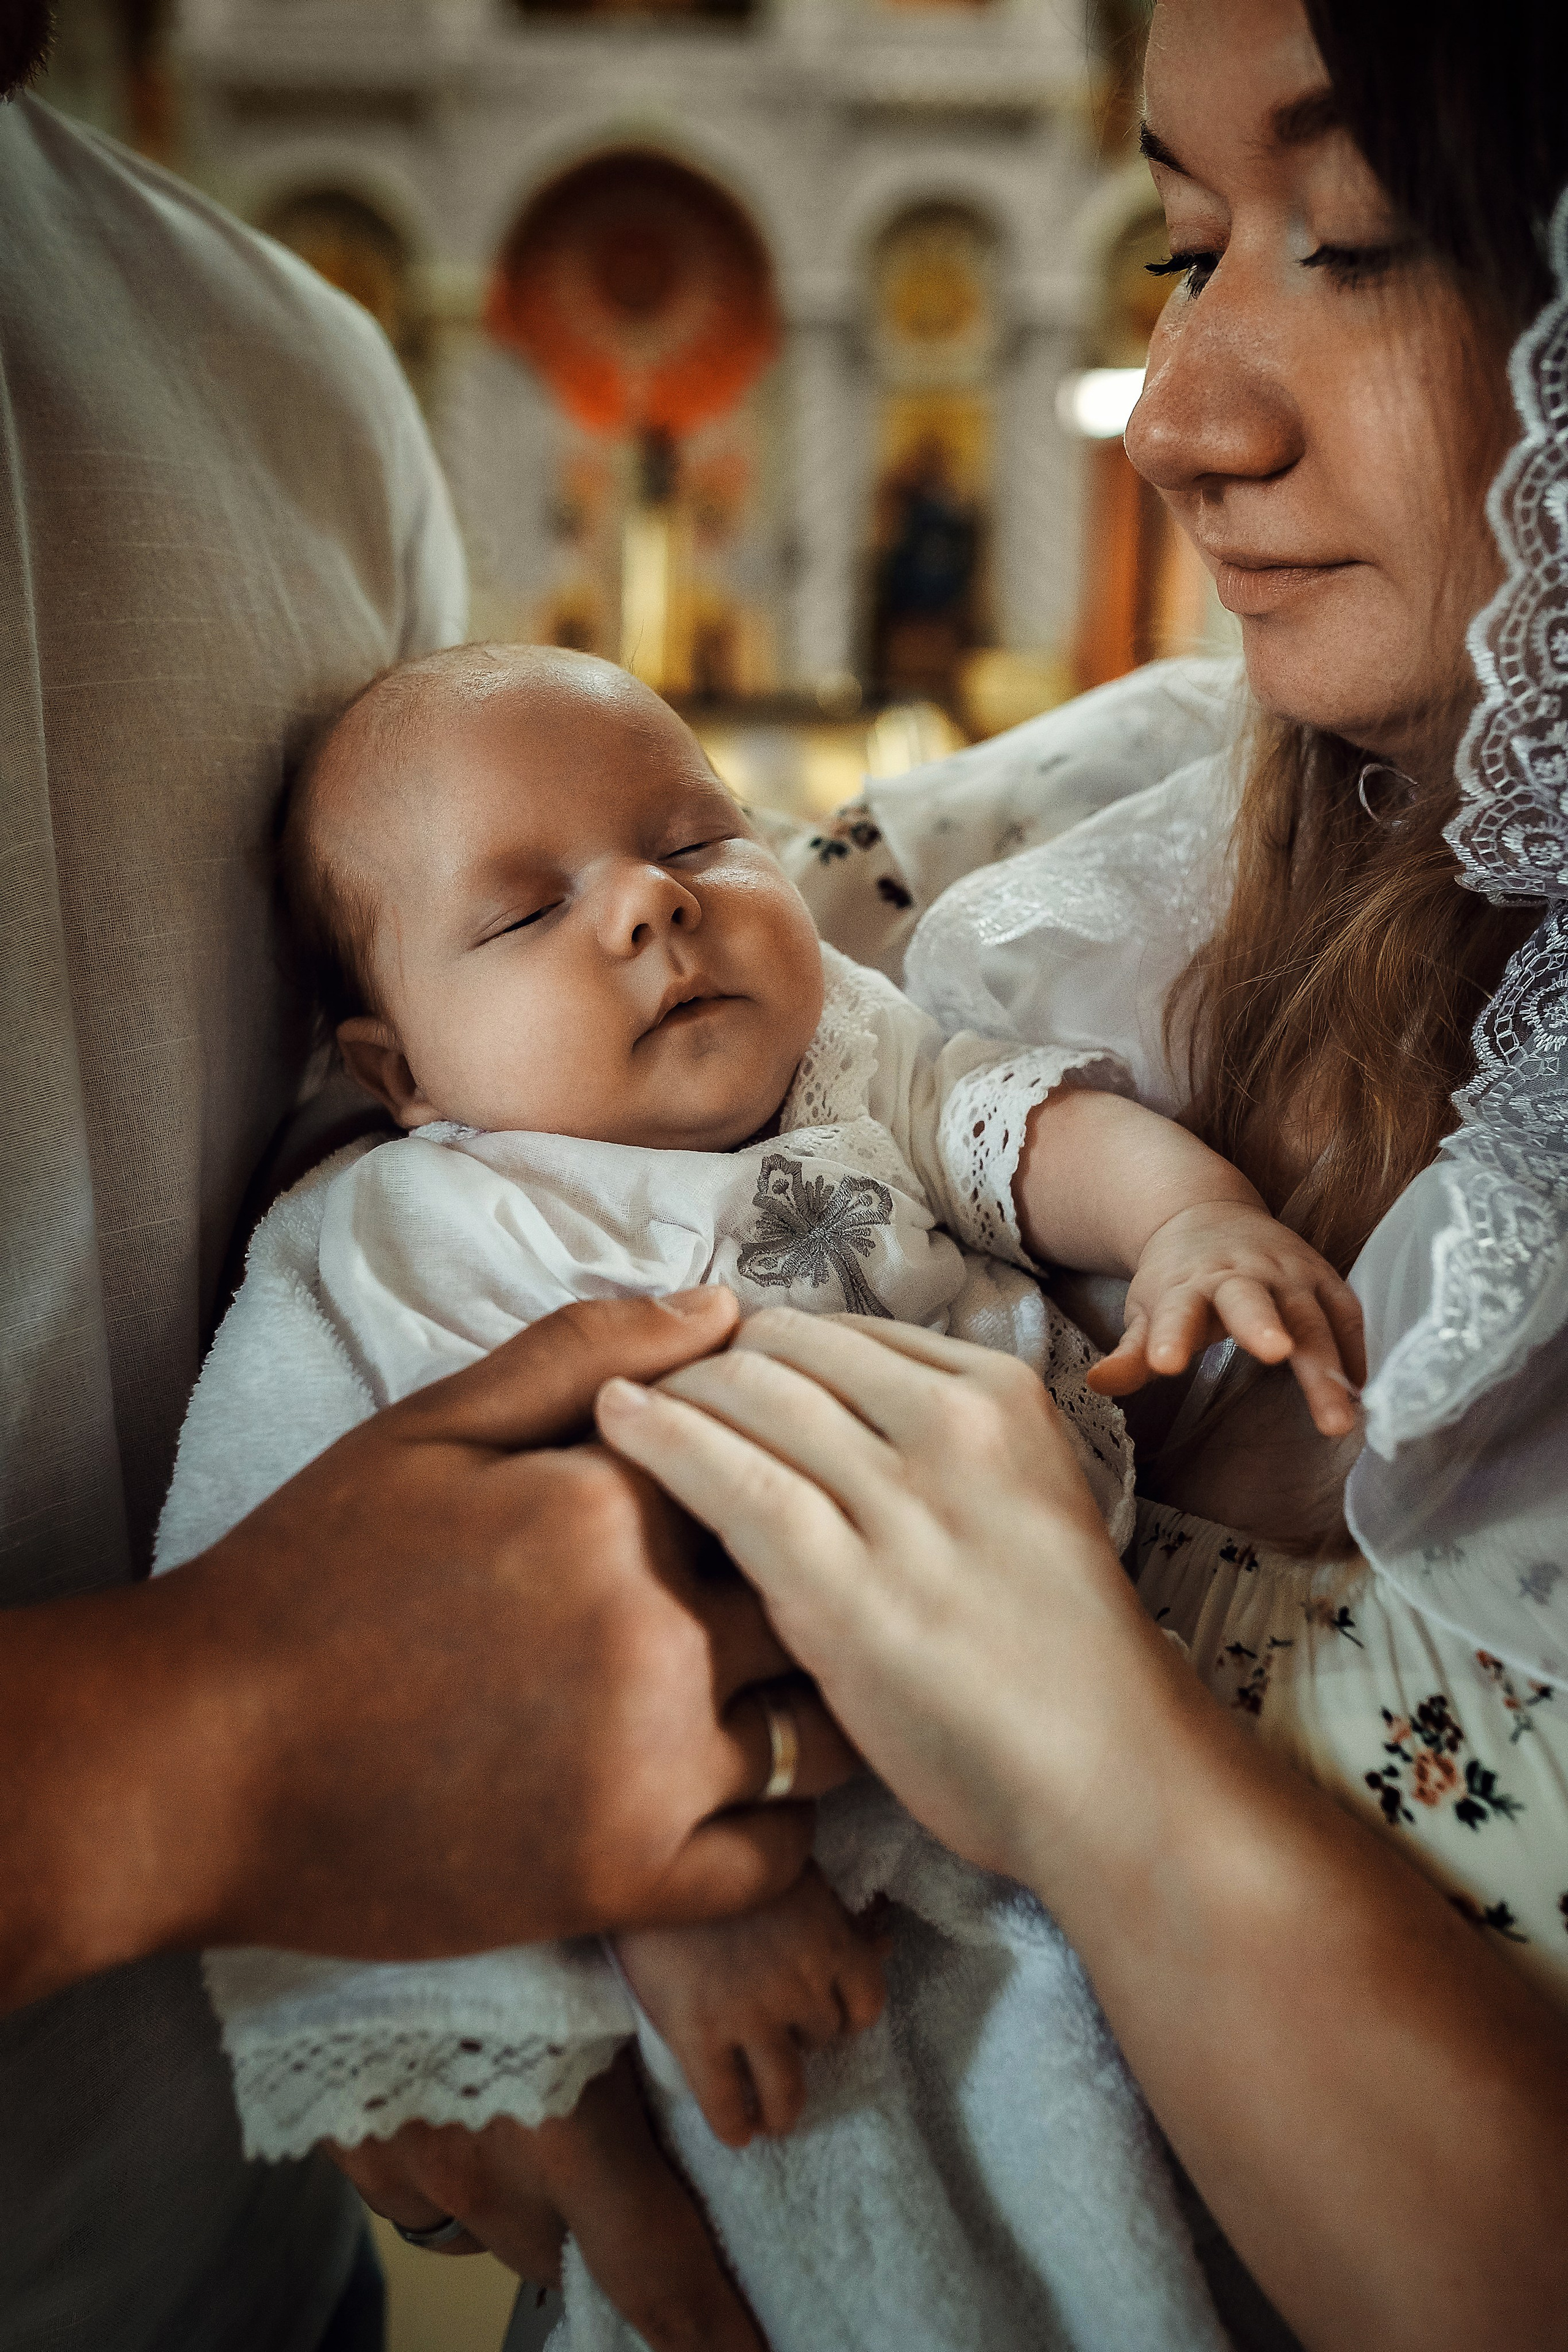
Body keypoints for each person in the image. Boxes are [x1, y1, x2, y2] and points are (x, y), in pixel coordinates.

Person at [587, 2, 1568, 2347]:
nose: (1192, 424)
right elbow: (463, 1087)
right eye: (1184, 245)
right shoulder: (1084, 849)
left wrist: (1074, 1731)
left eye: (1362, 239)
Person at [151, 639, 1362, 2346]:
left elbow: (1023, 1131)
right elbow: (293, 1617)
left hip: (1043, 1759)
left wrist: (1189, 1221)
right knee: (815, 2225)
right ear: (400, 1067)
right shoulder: (398, 1242)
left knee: (1119, 2204)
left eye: (701, 840)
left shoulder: (853, 1057)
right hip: (692, 1839)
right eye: (521, 916)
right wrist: (655, 1893)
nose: (652, 906)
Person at [0, 42, 856, 2352]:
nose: (653, 911)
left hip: (233, 2243)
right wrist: (192, 1755)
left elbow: (404, 1139)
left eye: (691, 849)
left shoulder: (278, 368)